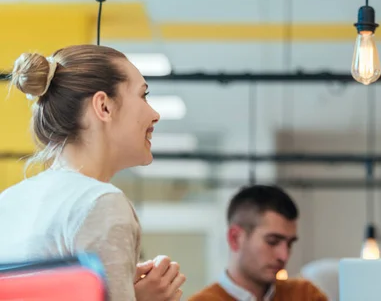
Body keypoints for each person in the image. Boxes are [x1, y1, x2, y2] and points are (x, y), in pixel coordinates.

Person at [0, 45, 186, 300]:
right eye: (143, 96)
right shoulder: (100, 202)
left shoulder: (9, 200)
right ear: (104, 106)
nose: (154, 114)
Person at [188, 184, 328, 301]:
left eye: (290, 243)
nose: (284, 256)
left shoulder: (306, 296)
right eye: (272, 242)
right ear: (235, 238)